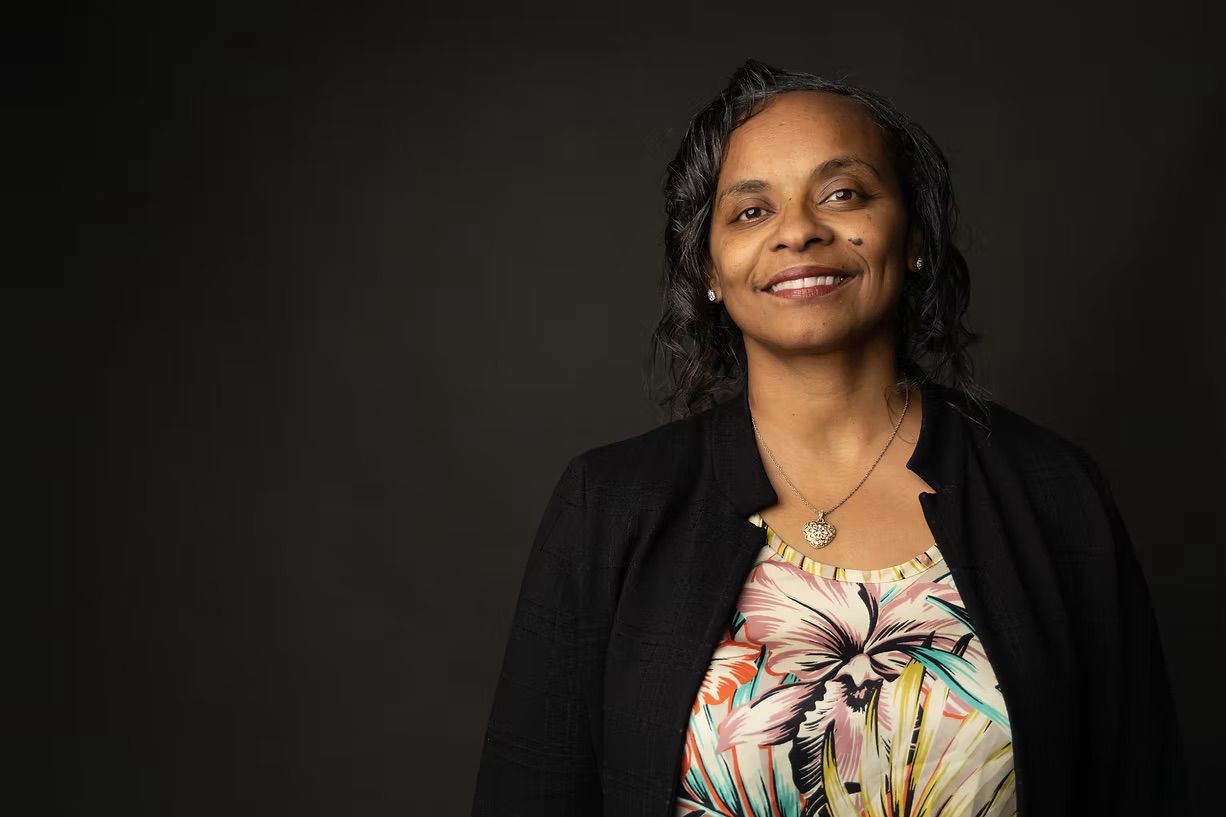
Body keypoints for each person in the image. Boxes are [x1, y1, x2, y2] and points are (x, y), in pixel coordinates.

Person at [470, 58, 1189, 817]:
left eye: (843, 194)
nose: (800, 232)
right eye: (751, 212)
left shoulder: (1052, 492)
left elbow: (1140, 788)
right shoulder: (612, 507)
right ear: (709, 268)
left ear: (912, 235)